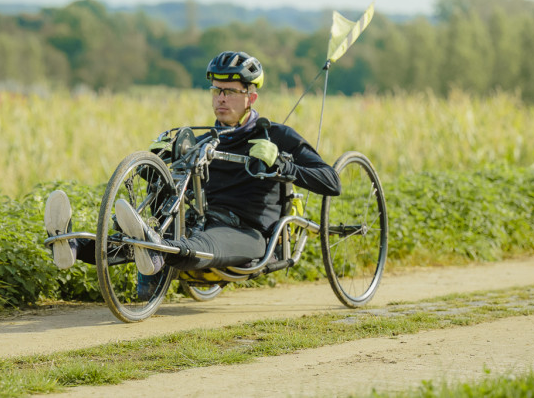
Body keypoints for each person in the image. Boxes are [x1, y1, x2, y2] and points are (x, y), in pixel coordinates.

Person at [43, 51, 341, 286]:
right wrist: (156, 164)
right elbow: (172, 182)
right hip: (202, 219)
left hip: (248, 233)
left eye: (231, 92)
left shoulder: (277, 136)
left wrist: (283, 163)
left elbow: (331, 181)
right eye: (216, 91)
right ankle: (74, 246)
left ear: (251, 97)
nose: (221, 98)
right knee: (150, 236)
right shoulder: (203, 141)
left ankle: (157, 250)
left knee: (191, 244)